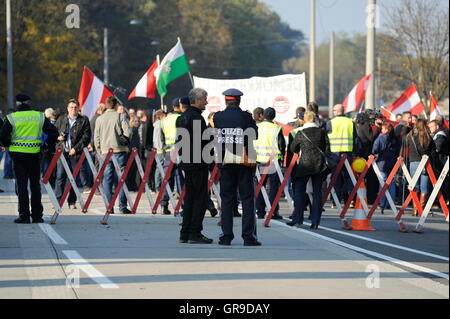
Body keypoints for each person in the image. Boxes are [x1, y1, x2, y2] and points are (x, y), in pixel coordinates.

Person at [0, 94, 58, 223]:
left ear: (17, 104)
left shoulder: (12, 118)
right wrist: (46, 145)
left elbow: (2, 135)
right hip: (34, 155)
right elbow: (54, 132)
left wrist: (8, 143)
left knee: (21, 186)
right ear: (29, 103)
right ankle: (37, 215)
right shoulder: (39, 116)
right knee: (35, 185)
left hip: (18, 156)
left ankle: (24, 215)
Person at [213, 88, 260, 246]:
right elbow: (255, 134)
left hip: (226, 161)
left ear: (226, 100)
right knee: (247, 199)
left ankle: (226, 236)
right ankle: (248, 237)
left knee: (226, 199)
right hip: (244, 162)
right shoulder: (246, 116)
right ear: (239, 100)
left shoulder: (218, 117)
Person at [175, 88, 213, 244]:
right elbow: (201, 142)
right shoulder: (196, 118)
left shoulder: (182, 117)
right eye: (204, 99)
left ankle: (185, 232)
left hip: (186, 162)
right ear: (197, 100)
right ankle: (195, 232)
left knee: (189, 198)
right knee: (199, 199)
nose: (206, 102)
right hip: (197, 163)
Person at [287, 112, 328, 229]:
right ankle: (315, 222)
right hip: (319, 165)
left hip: (304, 165)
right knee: (317, 193)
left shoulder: (301, 133)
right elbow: (325, 147)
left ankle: (297, 219)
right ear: (315, 119)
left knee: (299, 191)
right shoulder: (321, 132)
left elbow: (293, 148)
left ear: (304, 120)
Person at [94, 96, 132, 214]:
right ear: (116, 106)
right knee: (121, 179)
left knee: (107, 179)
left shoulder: (99, 119)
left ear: (106, 105)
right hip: (119, 151)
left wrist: (100, 150)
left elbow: (96, 137)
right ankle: (122, 206)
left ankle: (109, 207)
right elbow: (129, 132)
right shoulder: (120, 116)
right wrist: (126, 144)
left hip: (105, 152)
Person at [54, 99, 91, 209]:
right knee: (60, 176)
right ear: (67, 108)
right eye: (71, 107)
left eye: (75, 107)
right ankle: (58, 201)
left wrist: (76, 148)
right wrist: (58, 137)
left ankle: (72, 202)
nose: (73, 109)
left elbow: (86, 137)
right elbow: (54, 132)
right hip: (62, 152)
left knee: (73, 178)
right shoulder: (61, 119)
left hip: (76, 153)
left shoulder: (83, 120)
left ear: (78, 108)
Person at [254, 107, 285, 220]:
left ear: (264, 115)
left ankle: (260, 211)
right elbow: (281, 146)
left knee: (260, 186)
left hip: (259, 160)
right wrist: (281, 158)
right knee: (273, 187)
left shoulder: (257, 127)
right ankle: (273, 211)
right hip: (273, 161)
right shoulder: (276, 128)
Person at [326, 104, 358, 205]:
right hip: (348, 153)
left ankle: (336, 200)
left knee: (336, 177)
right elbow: (355, 138)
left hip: (334, 154)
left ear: (336, 111)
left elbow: (326, 138)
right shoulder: (350, 122)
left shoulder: (331, 122)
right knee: (348, 177)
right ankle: (349, 199)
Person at [405, 119, 435, 216]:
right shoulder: (428, 136)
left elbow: (405, 144)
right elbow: (433, 150)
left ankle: (415, 210)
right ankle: (421, 209)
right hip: (425, 162)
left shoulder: (411, 136)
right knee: (424, 187)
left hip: (413, 162)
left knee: (415, 186)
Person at [160, 98, 184, 214]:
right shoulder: (181, 118)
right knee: (181, 179)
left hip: (169, 152)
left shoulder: (165, 120)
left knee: (167, 179)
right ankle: (184, 205)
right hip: (180, 152)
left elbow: (161, 138)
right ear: (179, 106)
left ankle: (164, 205)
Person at [371, 123, 401, 214]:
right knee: (391, 183)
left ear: (386, 130)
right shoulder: (395, 139)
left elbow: (375, 148)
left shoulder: (381, 138)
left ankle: (382, 202)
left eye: (383, 129)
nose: (381, 130)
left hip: (382, 162)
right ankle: (390, 202)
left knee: (382, 182)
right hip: (392, 162)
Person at [428, 120, 449, 203]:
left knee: (441, 182)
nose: (430, 129)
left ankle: (443, 200)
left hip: (441, 162)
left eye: (432, 126)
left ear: (437, 126)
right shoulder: (436, 135)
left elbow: (438, 148)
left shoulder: (440, 136)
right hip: (439, 161)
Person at [40, 108, 57, 188]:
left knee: (45, 164)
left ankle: (45, 178)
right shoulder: (51, 124)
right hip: (49, 146)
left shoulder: (43, 123)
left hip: (44, 146)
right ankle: (49, 179)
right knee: (49, 164)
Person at [153, 109, 166, 192]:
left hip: (158, 148)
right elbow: (159, 138)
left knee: (159, 167)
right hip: (160, 149)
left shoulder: (157, 124)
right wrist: (161, 148)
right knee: (159, 167)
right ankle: (158, 187)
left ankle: (158, 186)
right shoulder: (159, 124)